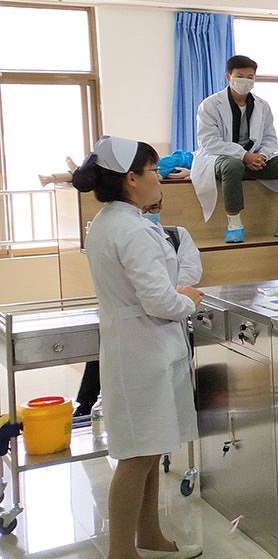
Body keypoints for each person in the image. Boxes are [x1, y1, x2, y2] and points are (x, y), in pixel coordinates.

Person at [72, 136, 205, 559]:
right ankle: (120, 552)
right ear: (131, 178)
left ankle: (149, 535)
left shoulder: (113, 221)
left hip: (141, 347)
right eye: (153, 171)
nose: (159, 178)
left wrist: (175, 297)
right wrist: (188, 299)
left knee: (149, 449)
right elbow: (159, 301)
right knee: (135, 458)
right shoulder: (130, 230)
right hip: (142, 352)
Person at [74, 198, 202, 419]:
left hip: (164, 320)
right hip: (139, 328)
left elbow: (189, 272)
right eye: (145, 209)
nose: (150, 213)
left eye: (154, 208)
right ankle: (84, 406)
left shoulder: (176, 234)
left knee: (164, 406)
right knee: (143, 415)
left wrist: (171, 291)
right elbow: (156, 295)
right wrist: (173, 294)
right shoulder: (130, 232)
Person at [191, 55, 278, 243]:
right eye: (240, 76)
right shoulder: (210, 105)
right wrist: (244, 156)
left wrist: (261, 156)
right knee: (233, 165)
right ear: (228, 77)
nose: (245, 81)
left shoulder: (262, 105)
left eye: (250, 77)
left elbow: (270, 138)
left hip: (256, 159)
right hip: (221, 158)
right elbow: (209, 141)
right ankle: (234, 224)